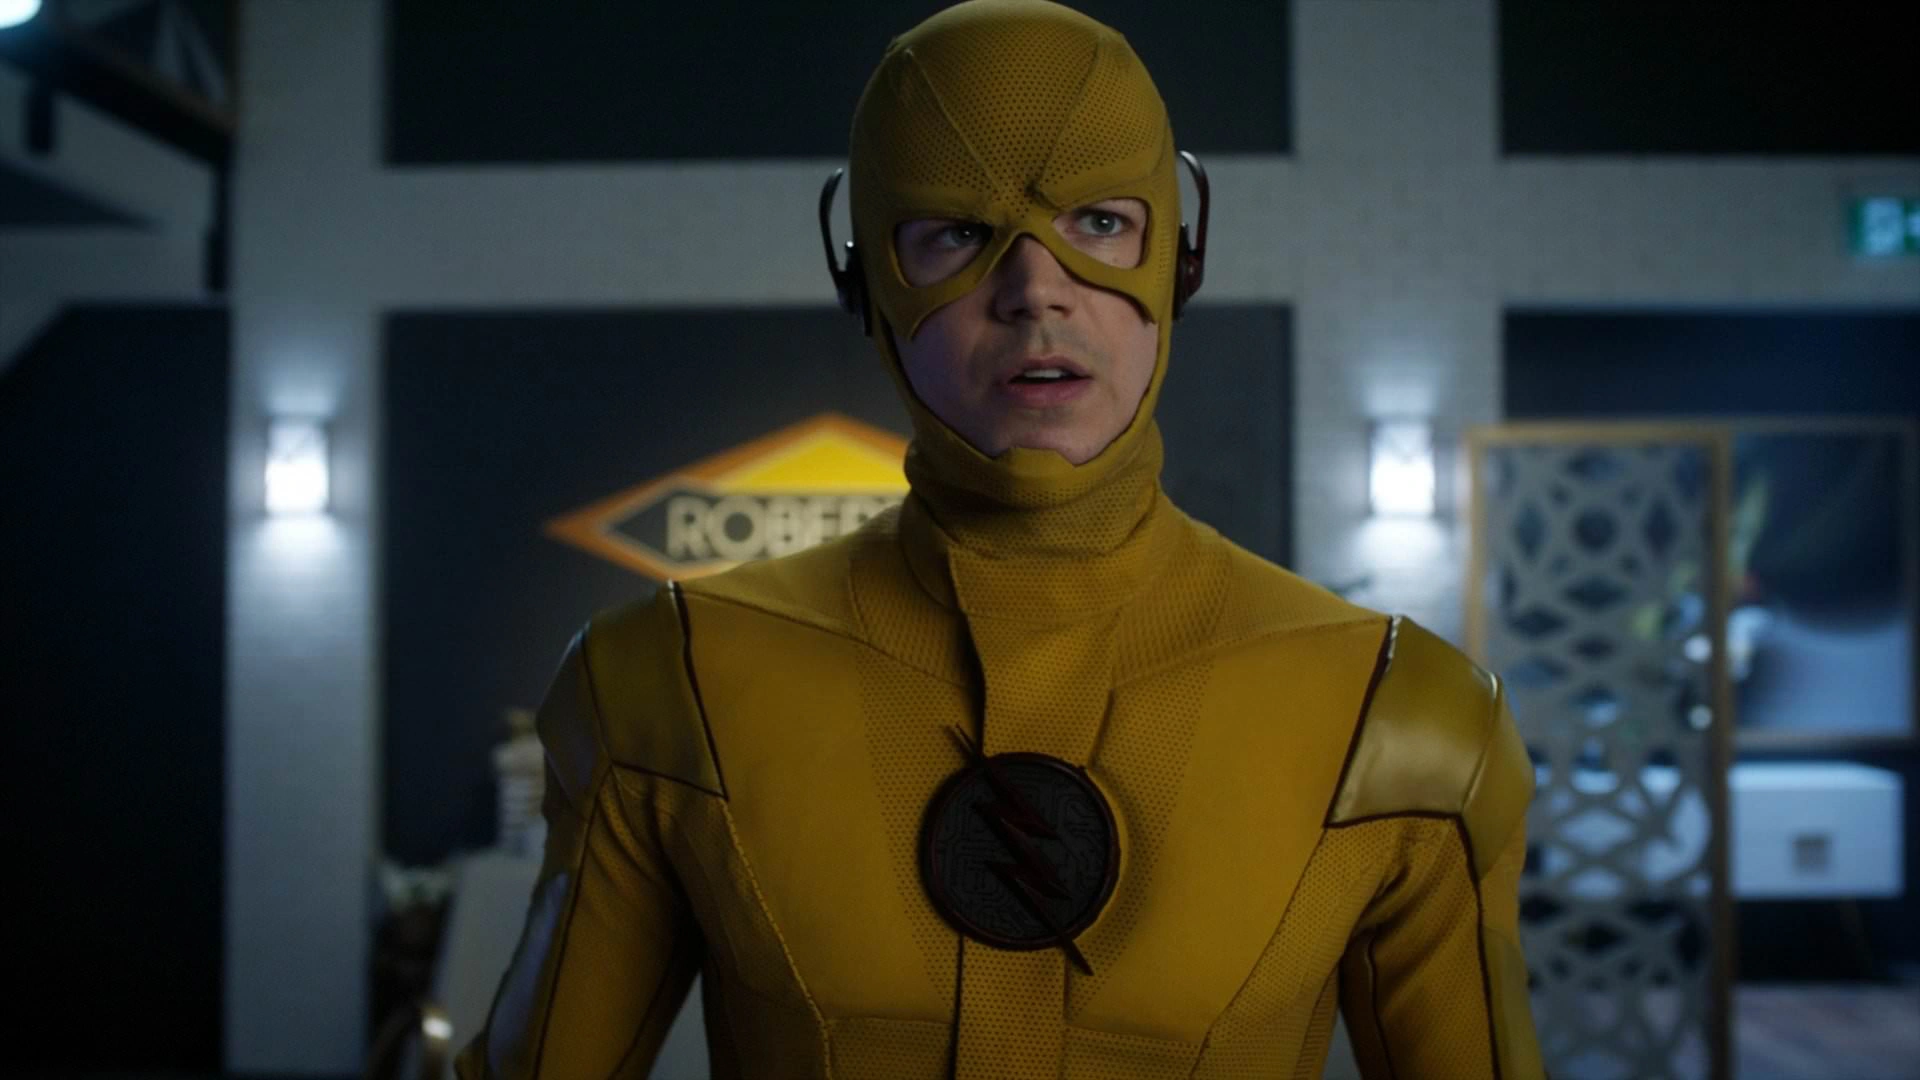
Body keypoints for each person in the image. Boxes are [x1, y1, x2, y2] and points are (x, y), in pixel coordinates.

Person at [456, 1, 1543, 1076]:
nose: (1036, 293)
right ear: (868, 285)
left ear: (1181, 258)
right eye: (960, 235)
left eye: (1100, 224)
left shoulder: (1403, 726)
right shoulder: (665, 689)